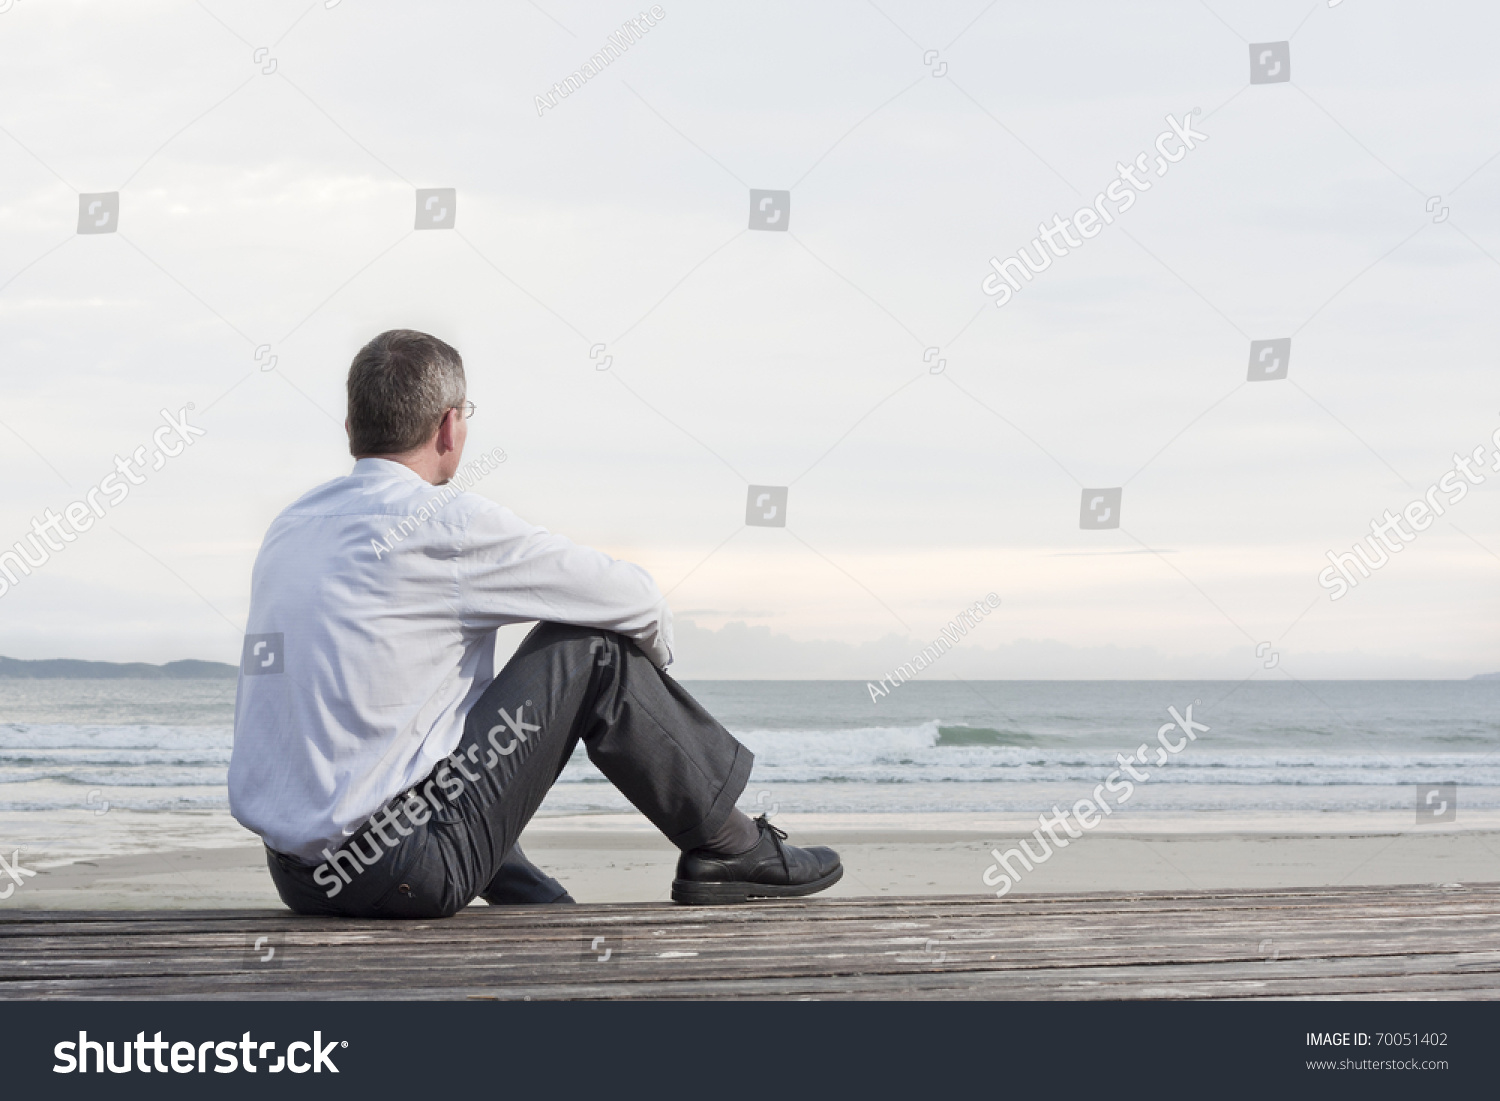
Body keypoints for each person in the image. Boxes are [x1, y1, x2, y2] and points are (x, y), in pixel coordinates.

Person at [227, 329, 841, 917]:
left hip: (300, 879)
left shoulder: (291, 527)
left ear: (351, 429)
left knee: (433, 719)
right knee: (591, 648)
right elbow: (638, 601)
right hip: (402, 874)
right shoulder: (446, 522)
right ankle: (730, 845)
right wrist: (639, 679)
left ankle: (538, 900)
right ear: (449, 425)